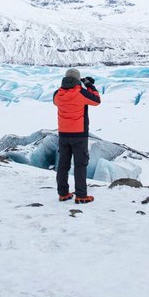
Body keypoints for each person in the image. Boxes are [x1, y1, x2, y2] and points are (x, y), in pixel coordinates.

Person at [52, 68, 101, 204]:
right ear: (77, 80)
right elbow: (96, 100)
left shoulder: (58, 94)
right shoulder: (80, 93)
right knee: (80, 164)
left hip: (63, 134)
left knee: (63, 165)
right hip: (79, 135)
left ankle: (63, 193)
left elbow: (56, 101)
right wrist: (89, 85)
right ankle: (81, 195)